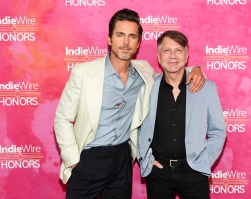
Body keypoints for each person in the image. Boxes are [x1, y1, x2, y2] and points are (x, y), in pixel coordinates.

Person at [54, 9, 205, 199]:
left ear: (138, 43)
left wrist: (196, 70)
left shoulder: (144, 71)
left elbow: (172, 71)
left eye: (132, 36)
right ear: (109, 39)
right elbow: (62, 119)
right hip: (89, 158)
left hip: (123, 159)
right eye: (120, 35)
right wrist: (74, 160)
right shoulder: (83, 73)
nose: (126, 42)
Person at [137, 30, 226, 199]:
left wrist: (204, 162)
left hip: (194, 171)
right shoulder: (147, 87)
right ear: (158, 56)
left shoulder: (207, 88)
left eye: (178, 50)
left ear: (186, 56)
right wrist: (146, 160)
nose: (173, 56)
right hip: (158, 173)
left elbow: (218, 131)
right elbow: (138, 128)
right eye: (167, 50)